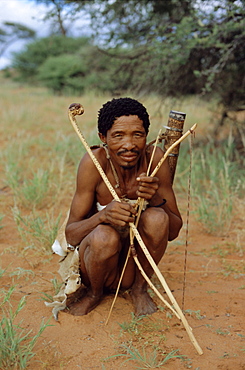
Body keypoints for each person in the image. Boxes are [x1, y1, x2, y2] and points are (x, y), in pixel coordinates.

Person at [65, 97, 182, 317]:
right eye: (118, 136)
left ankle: (139, 290)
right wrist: (103, 216)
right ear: (103, 138)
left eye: (137, 135)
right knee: (103, 236)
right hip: (96, 263)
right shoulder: (94, 162)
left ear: (146, 136)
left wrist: (155, 197)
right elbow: (71, 236)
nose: (129, 145)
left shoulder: (154, 159)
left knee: (157, 218)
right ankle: (94, 294)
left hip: (131, 265)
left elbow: (173, 230)